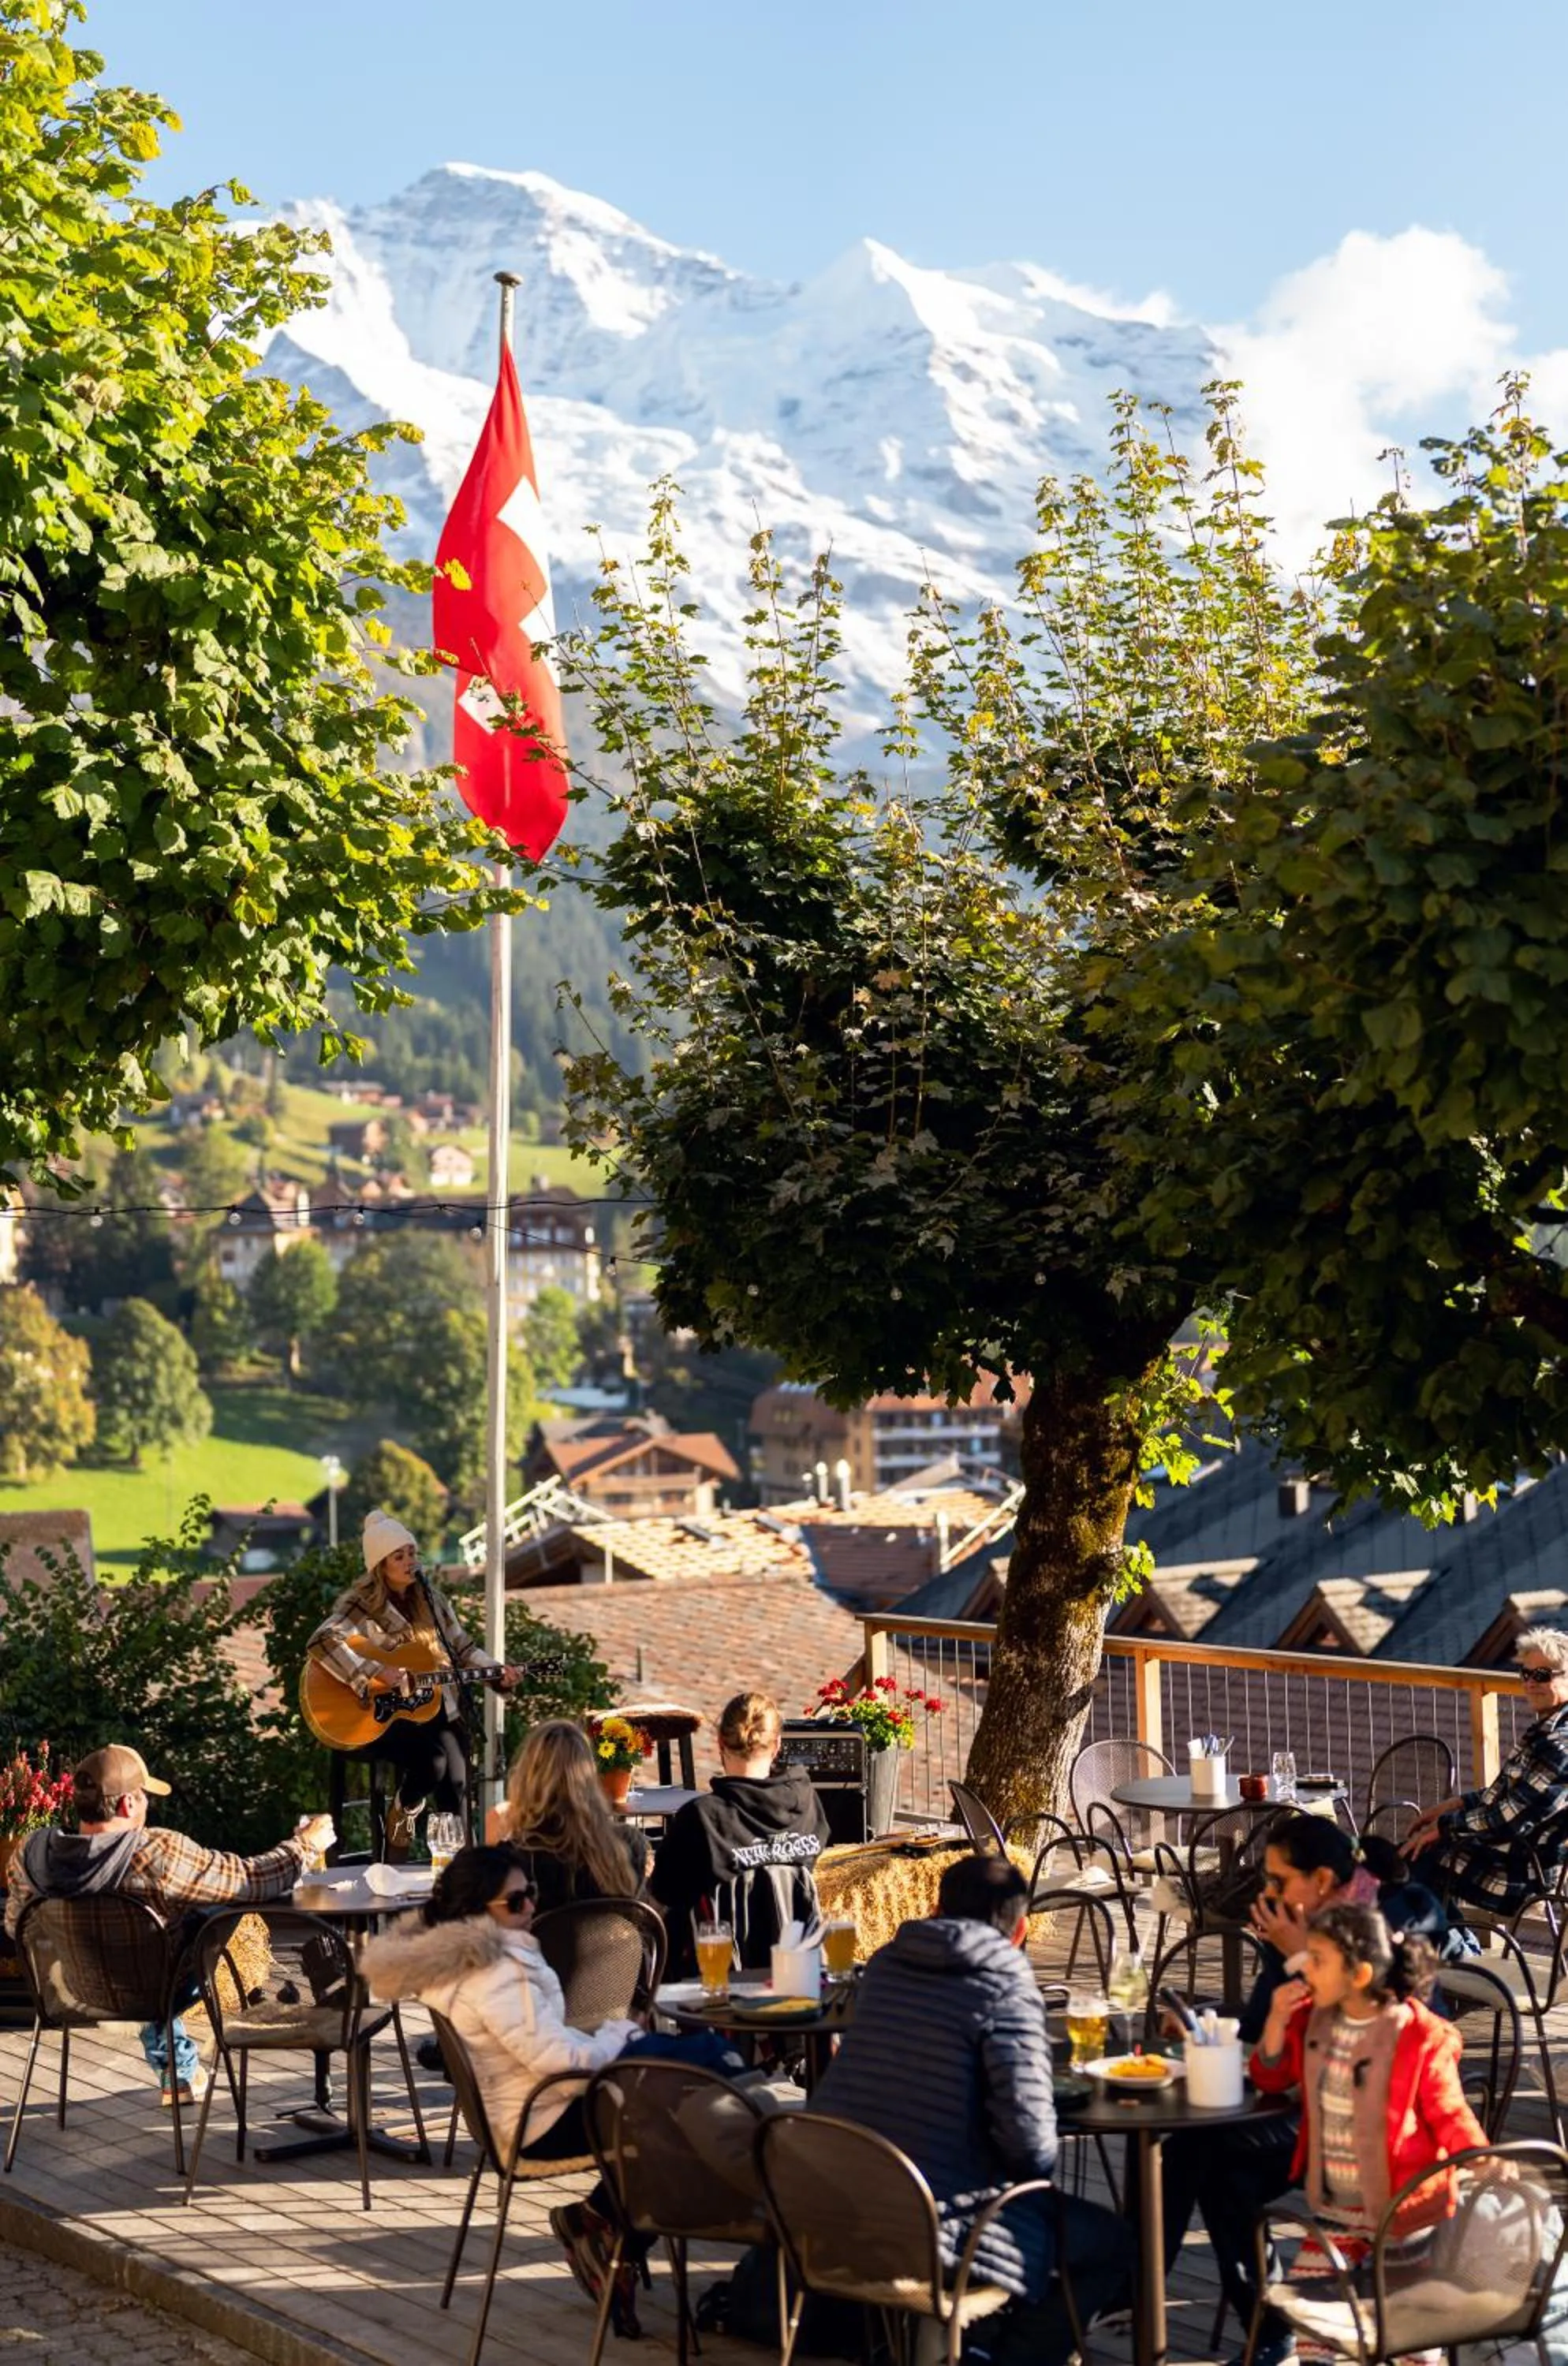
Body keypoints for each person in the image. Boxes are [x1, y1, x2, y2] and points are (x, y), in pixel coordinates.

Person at [362, 1842, 750, 2335]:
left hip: (537, 2102)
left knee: (689, 2080)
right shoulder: (493, 1971)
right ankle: (622, 2226)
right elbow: (556, 2061)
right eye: (516, 1902)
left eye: (532, 1894)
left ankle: (604, 2225)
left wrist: (620, 2041)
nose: (531, 1907)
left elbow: (547, 2047)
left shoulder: (470, 1957)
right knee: (692, 2089)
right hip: (540, 2116)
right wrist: (618, 2038)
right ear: (477, 1910)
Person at [808, 1852, 1131, 2366]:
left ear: (934, 1906)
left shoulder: (886, 1966)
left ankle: (969, 2345)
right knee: (1113, 2245)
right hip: (933, 2224)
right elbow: (1031, 2150)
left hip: (832, 2206)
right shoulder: (1005, 1985)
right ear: (1021, 1930)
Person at [1159, 1813, 1422, 2366]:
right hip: (1303, 2106)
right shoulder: (1298, 1922)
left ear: (1323, 1879)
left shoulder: (1379, 1923)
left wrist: (1299, 1953)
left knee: (1196, 2149)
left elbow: (1377, 2035)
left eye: (1279, 1880)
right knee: (1216, 2172)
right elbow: (1265, 2027)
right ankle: (1268, 2333)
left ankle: (1136, 2278)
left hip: (1369, 2135)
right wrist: (1210, 2019)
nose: (1268, 1892)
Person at [2, 1743, 331, 2107]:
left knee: (143, 1945)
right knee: (209, 1915)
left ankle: (178, 2074)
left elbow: (16, 1925)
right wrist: (305, 1846)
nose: (146, 1803)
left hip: (72, 1995)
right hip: (156, 1994)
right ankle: (181, 2073)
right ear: (128, 1803)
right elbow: (251, 1880)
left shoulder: (31, 1854)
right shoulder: (157, 1852)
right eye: (143, 1795)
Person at [1249, 1901, 1487, 2356]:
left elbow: (1449, 2111)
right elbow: (1271, 2078)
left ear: (1358, 1975)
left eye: (1317, 1960)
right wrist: (1277, 2020)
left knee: (1408, 2339)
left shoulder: (1418, 2035)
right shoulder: (1316, 2020)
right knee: (1314, 2325)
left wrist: (1480, 2156)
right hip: (1339, 2211)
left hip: (1406, 2212)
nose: (1304, 1968)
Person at [306, 1508, 524, 1851]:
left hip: (437, 1708)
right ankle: (403, 1810)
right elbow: (322, 1641)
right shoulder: (361, 1606)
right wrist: (375, 1672)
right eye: (399, 1556)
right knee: (431, 1762)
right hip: (383, 1714)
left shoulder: (432, 1601)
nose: (410, 1561)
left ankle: (462, 1867)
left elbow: (463, 1650)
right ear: (381, 1565)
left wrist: (499, 1674)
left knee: (456, 1783)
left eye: (411, 1553)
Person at [650, 1690, 830, 1978]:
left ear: (720, 1743)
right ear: (777, 1745)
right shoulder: (805, 1801)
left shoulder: (702, 1818)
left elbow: (664, 1892)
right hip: (796, 1977)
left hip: (713, 1982)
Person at [1402, 1625, 1568, 1919]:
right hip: (1509, 1853)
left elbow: (1508, 1818)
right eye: (1526, 1674)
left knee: (1412, 1861)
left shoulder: (1560, 1746)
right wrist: (1453, 1805)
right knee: (1415, 1858)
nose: (1530, 1684)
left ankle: (1442, 1950)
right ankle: (1452, 1947)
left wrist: (1444, 1826)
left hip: (1523, 1874)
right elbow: (1512, 1797)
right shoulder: (1547, 1731)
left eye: (1542, 1675)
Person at [488, 1719, 648, 1912]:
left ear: (526, 1778)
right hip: (615, 1942)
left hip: (541, 1943)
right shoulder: (628, 1846)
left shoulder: (513, 1858)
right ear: (590, 1778)